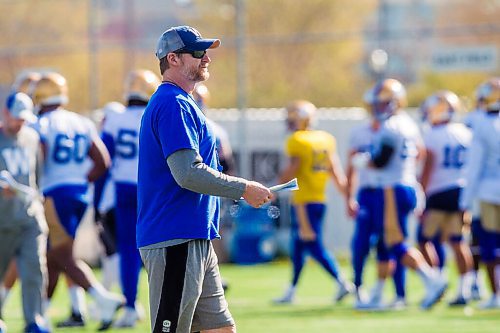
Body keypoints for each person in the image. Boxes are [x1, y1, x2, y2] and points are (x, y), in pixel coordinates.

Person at [137, 26, 271, 333]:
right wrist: (243, 188)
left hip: (193, 236)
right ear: (173, 59)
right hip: (175, 237)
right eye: (197, 53)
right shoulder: (173, 103)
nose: (206, 58)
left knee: (220, 329)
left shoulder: (182, 102)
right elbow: (188, 173)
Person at [29, 72, 125, 329]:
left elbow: (38, 158)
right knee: (53, 256)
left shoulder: (40, 124)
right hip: (79, 194)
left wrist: (36, 185)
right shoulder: (80, 122)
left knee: (60, 254)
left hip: (53, 194)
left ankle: (101, 298)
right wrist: (82, 181)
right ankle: (42, 315)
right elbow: (102, 161)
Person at [352, 78, 448, 310]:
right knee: (387, 244)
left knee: (396, 243)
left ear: (397, 102)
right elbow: (417, 154)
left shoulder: (392, 125)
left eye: (385, 103)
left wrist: (363, 162)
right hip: (404, 184)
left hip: (392, 188)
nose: (380, 107)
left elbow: (381, 161)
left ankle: (431, 279)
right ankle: (378, 295)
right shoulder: (407, 123)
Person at [272, 100, 354, 305]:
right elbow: (334, 170)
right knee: (298, 246)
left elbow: (292, 169)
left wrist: (276, 186)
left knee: (312, 245)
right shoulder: (325, 139)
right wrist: (347, 195)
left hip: (302, 201)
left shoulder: (297, 140)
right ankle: (291, 290)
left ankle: (342, 281)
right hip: (319, 199)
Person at [100, 69, 161, 328]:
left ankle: (129, 305)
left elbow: (104, 160)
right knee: (159, 246)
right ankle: (164, 303)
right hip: (153, 188)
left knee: (128, 248)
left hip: (124, 188)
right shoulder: (156, 115)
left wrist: (96, 202)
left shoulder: (115, 120)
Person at [345, 112, 407, 310]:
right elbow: (352, 166)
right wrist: (349, 196)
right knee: (361, 244)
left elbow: (417, 154)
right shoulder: (359, 132)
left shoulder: (398, 128)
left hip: (388, 191)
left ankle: (399, 293)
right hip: (369, 192)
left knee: (390, 243)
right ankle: (360, 287)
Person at [0, 92, 50, 333]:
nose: (19, 123)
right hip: (2, 220)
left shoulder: (31, 138)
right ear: (5, 113)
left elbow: (37, 178)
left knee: (34, 269)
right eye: (16, 117)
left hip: (29, 217)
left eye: (23, 118)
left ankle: (34, 321)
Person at [419, 90, 474, 305]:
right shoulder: (465, 132)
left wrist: (421, 193)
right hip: (461, 191)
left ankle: (436, 282)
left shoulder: (432, 134)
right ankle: (465, 289)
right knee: (457, 242)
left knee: (423, 240)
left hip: (439, 191)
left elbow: (428, 167)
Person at [460, 77, 500, 309]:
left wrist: (465, 200)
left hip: (487, 191)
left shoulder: (481, 124)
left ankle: (496, 294)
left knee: (489, 244)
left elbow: (474, 166)